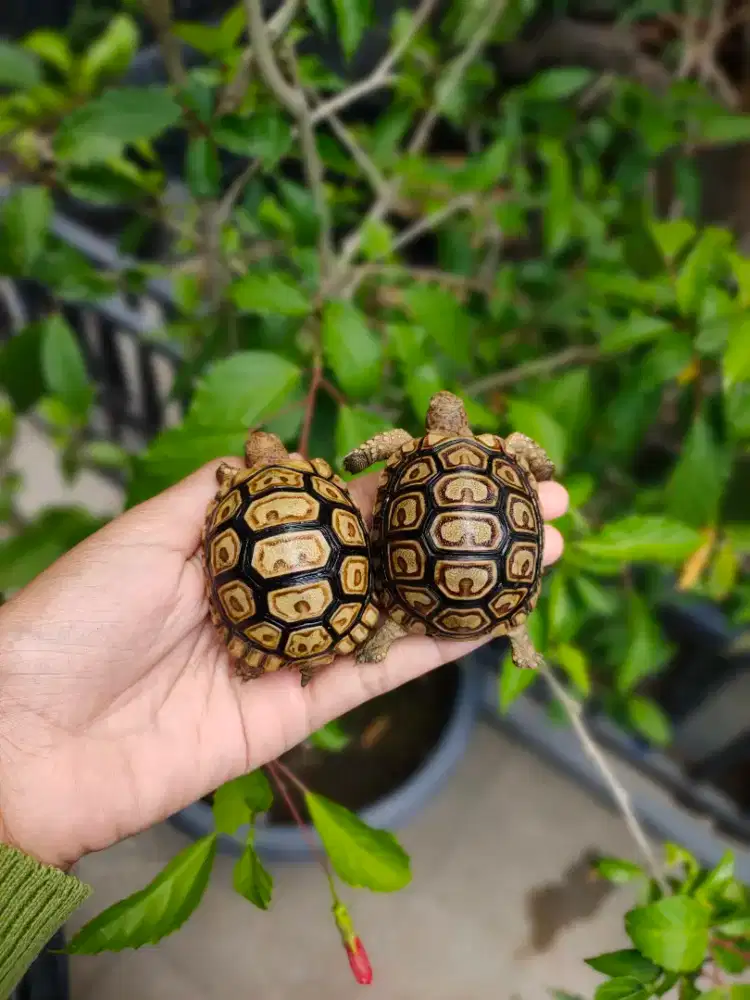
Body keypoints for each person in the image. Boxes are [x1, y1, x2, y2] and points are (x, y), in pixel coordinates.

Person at [0, 459, 568, 994]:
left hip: (268, 623)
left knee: (362, 635)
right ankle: (496, 629)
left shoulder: (231, 495)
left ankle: (459, 631)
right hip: (340, 604)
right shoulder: (306, 482)